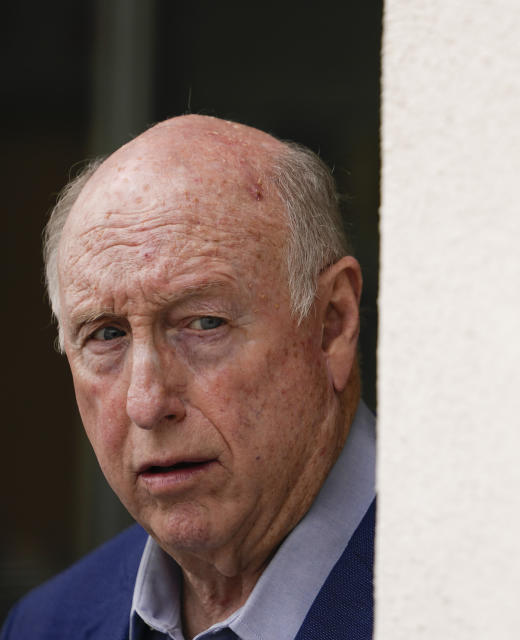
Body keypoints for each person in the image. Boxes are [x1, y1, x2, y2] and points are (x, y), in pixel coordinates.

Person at [1, 115, 374, 640]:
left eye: (203, 323)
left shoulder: (478, 592)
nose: (147, 403)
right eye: (106, 335)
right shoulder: (47, 625)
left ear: (332, 323)